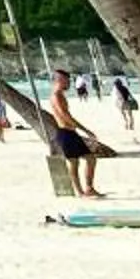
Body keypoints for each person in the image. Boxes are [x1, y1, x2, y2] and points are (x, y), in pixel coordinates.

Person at [48, 70, 101, 200]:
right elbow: (65, 116)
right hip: (65, 133)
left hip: (71, 132)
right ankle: (80, 192)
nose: (69, 83)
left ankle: (89, 188)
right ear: (59, 80)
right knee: (74, 162)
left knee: (91, 159)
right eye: (67, 81)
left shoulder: (60, 95)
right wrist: (85, 130)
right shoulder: (56, 96)